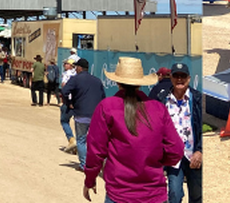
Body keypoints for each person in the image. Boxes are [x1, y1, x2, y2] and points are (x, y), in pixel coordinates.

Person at [82, 57, 184, 203]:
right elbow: (176, 149)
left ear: (117, 82)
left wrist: (90, 179)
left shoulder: (107, 107)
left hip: (119, 193)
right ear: (140, 83)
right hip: (154, 192)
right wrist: (156, 161)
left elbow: (95, 150)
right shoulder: (158, 109)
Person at [149, 63, 202, 203]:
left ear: (189, 79)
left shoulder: (197, 99)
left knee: (197, 196)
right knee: (174, 194)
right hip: (173, 157)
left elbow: (201, 128)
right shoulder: (162, 99)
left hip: (193, 156)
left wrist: (200, 150)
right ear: (171, 78)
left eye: (183, 76)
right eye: (176, 76)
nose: (180, 79)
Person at [65, 58, 106, 169]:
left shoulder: (75, 79)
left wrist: (69, 103)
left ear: (80, 68)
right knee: (95, 141)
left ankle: (84, 165)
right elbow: (103, 98)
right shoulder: (97, 80)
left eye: (76, 67)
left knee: (81, 140)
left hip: (81, 115)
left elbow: (64, 91)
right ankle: (97, 164)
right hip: (96, 116)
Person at [58, 56, 79, 154]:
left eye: (66, 64)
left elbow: (64, 86)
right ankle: (79, 143)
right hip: (77, 101)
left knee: (64, 121)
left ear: (70, 65)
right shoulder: (77, 74)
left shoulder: (66, 74)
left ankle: (71, 139)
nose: (64, 65)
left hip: (68, 101)